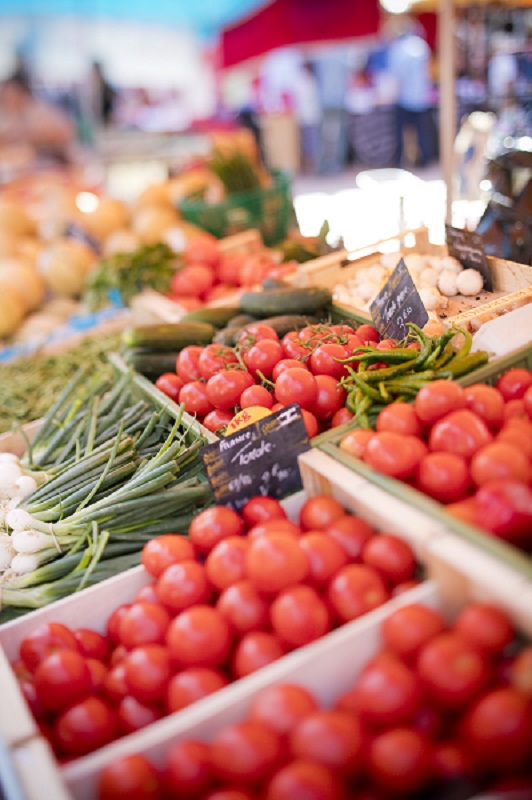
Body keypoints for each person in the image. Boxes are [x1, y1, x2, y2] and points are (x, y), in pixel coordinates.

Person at [0, 72, 76, 163]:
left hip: (53, 164)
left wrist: (28, 135)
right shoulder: (11, 114)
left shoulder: (38, 110)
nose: (6, 99)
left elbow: (66, 131)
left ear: (21, 92)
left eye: (10, 94)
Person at [388, 21, 434, 168]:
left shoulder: (398, 49)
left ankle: (400, 161)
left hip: (405, 97)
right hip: (420, 96)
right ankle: (423, 160)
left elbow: (397, 76)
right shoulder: (421, 46)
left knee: (401, 132)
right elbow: (427, 72)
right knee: (421, 131)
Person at [292, 60, 322, 174]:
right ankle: (306, 165)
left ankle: (313, 165)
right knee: (304, 143)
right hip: (302, 117)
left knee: (312, 142)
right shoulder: (298, 81)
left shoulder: (313, 81)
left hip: (311, 116)